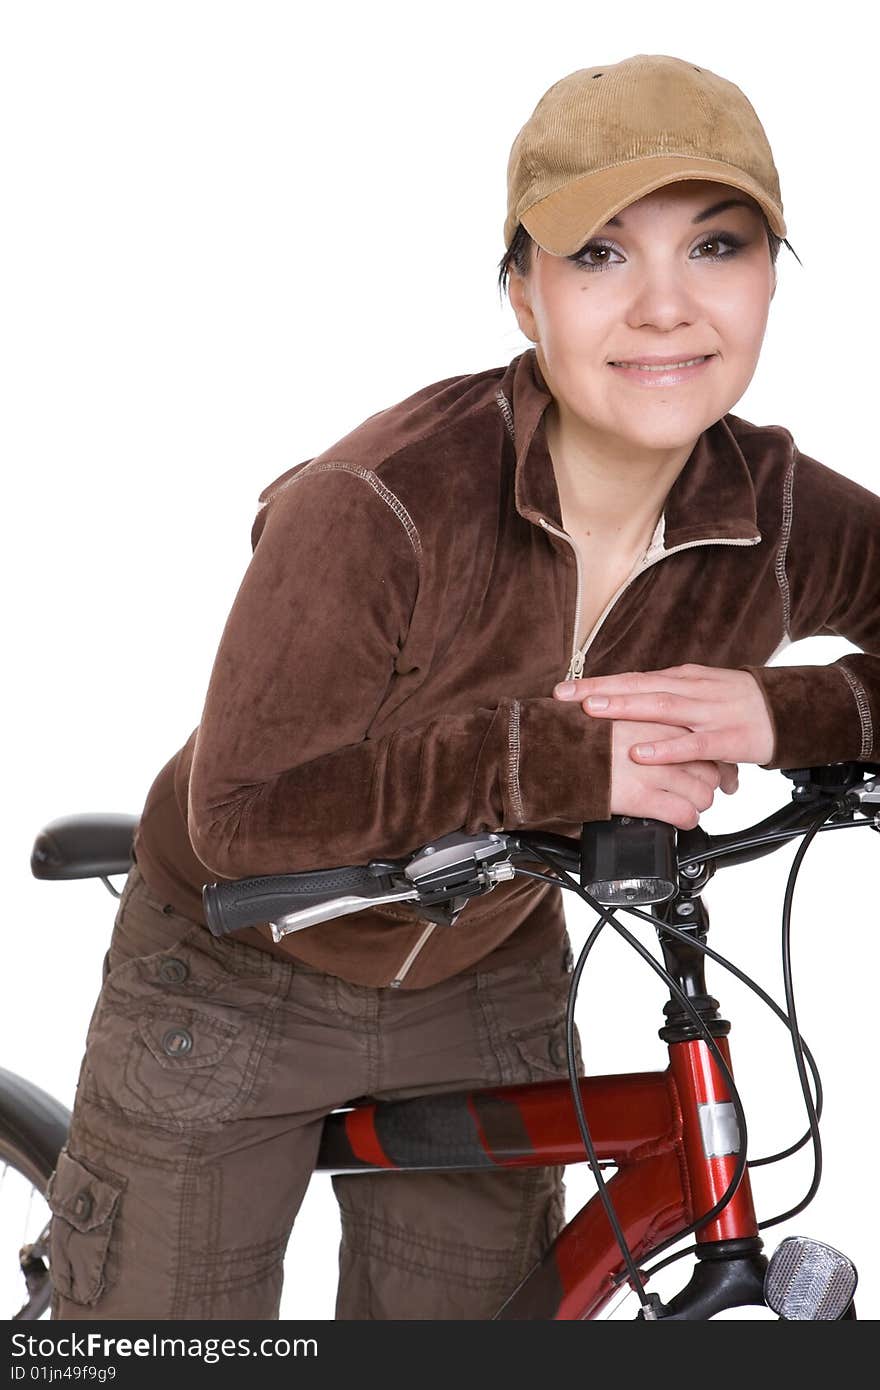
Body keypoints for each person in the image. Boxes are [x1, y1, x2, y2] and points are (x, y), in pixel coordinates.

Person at [46, 53, 879, 1320]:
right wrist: (565, 761)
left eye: (717, 247)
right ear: (521, 293)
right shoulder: (376, 504)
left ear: (771, 277)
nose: (666, 307)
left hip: (483, 966)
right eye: (599, 254)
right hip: (238, 964)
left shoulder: (772, 511)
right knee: (169, 1348)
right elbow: (248, 812)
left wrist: (790, 710)